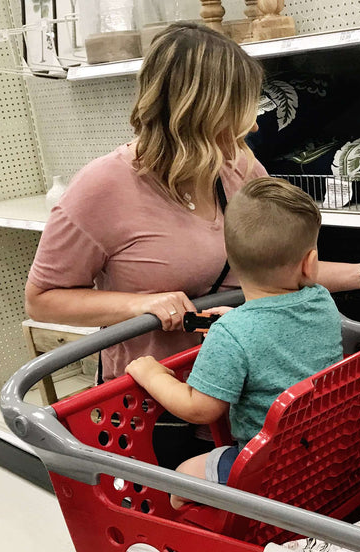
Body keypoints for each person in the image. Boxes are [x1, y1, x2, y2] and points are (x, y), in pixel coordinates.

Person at [24, 22, 360, 464]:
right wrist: (138, 305)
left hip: (245, 393)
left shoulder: (237, 165)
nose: (250, 123)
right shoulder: (100, 189)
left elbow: (279, 264)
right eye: (241, 108)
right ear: (200, 112)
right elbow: (42, 300)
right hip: (157, 406)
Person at [125, 176, 342, 501]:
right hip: (324, 451)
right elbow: (280, 330)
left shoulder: (232, 333)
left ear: (230, 258)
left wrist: (151, 374)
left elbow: (199, 409)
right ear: (310, 264)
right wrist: (239, 323)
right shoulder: (322, 300)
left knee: (182, 477)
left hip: (266, 469)